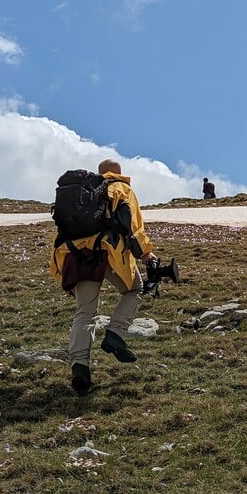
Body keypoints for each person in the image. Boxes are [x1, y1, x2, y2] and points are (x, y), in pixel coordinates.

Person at [49, 159, 157, 396]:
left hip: (76, 255)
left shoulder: (84, 192)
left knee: (85, 313)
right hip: (110, 252)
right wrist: (147, 255)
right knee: (134, 290)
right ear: (120, 172)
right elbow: (132, 226)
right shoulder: (121, 188)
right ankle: (114, 334)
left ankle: (80, 368)